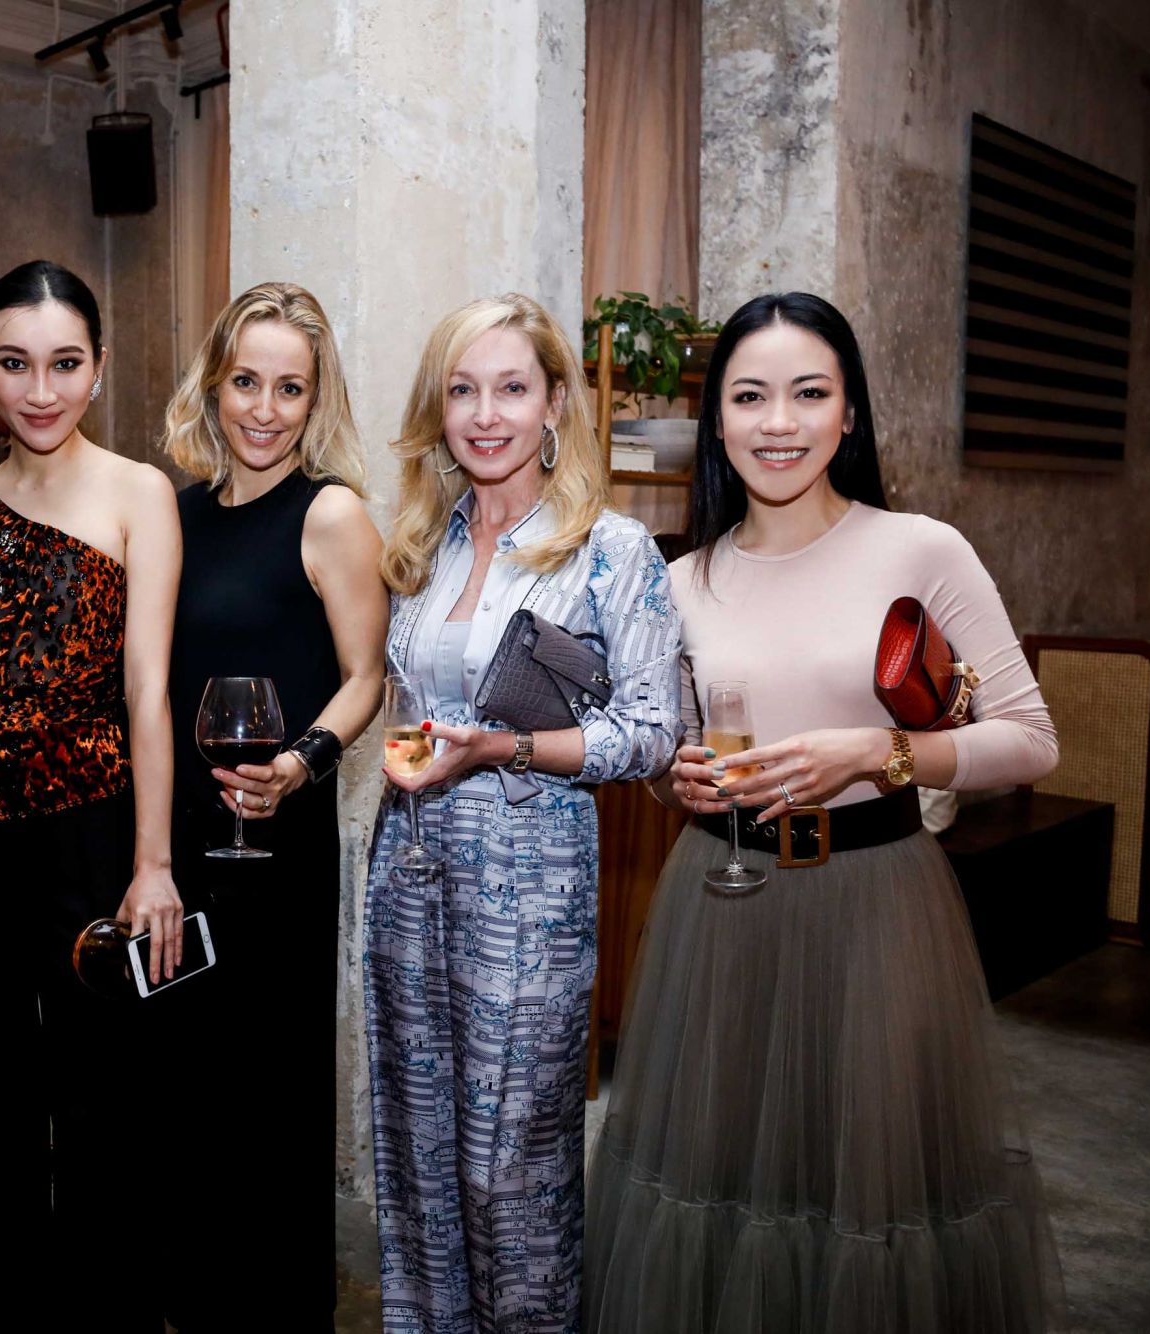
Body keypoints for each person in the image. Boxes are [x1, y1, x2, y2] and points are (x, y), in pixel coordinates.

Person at [584, 292, 1064, 1332]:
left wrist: (877, 750)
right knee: (717, 1179)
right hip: (721, 903)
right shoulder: (676, 581)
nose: (778, 421)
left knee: (868, 1183)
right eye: (749, 396)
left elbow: (1029, 737)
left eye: (809, 393)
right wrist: (677, 779)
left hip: (876, 903)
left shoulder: (919, 549)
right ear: (715, 420)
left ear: (848, 414)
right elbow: (661, 746)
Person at [366, 293, 682, 1330]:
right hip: (407, 869)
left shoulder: (609, 548)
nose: (484, 413)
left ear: (554, 402)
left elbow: (651, 732)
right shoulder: (424, 538)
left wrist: (505, 745)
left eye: (509, 387)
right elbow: (408, 701)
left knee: (513, 1160)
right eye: (462, 390)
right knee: (416, 1143)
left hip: (529, 885)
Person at [0, 259, 183, 1332]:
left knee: (109, 1104)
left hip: (96, 833)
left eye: (64, 363)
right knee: (0, 1106)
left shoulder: (139, 492)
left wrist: (153, 861)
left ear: (97, 367)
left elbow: (148, 690)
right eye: (14, 363)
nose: (40, 389)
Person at [158, 281, 387, 1328]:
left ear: (313, 398)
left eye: (287, 387)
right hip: (179, 841)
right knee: (187, 1093)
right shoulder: (176, 512)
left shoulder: (330, 511)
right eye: (245, 380)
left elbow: (365, 674)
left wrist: (299, 762)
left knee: (270, 1090)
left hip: (279, 842)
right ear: (213, 382)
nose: (262, 407)